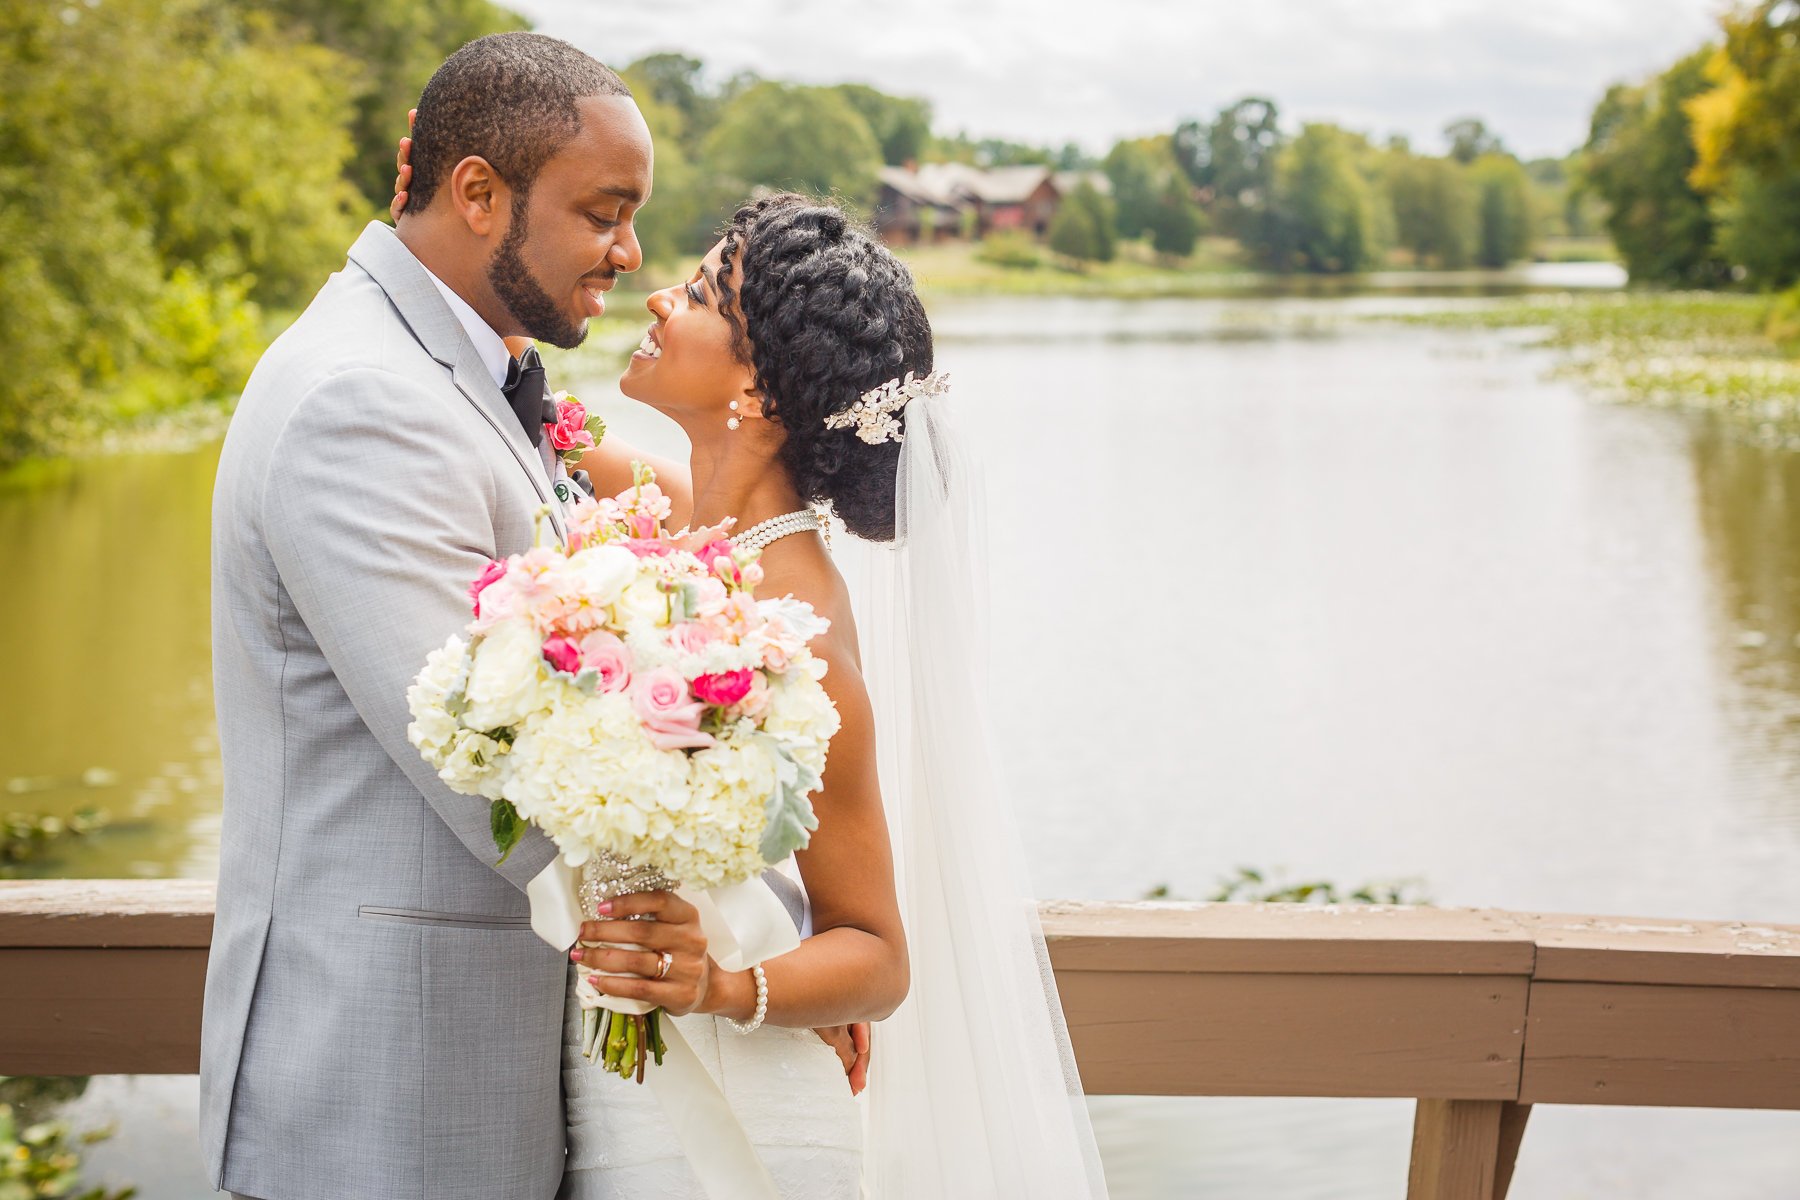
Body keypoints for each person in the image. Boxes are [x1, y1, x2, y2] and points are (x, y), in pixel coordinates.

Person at [201, 34, 653, 1200]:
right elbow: (490, 770)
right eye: (604, 212)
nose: (630, 251)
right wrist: (765, 947)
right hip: (383, 1102)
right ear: (476, 192)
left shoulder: (454, 369)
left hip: (458, 1078)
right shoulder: (364, 400)